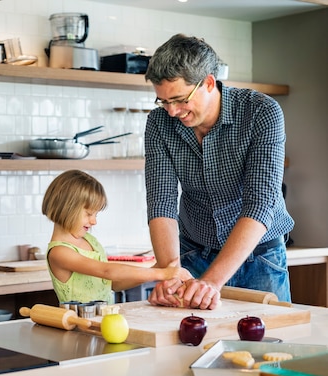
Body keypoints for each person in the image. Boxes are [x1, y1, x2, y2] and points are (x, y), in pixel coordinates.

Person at [143, 34, 294, 310]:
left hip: (259, 257)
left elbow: (260, 205)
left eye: (179, 99)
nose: (172, 111)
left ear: (209, 83)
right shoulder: (159, 123)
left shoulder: (261, 113)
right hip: (194, 253)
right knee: (190, 346)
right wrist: (169, 271)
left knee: (268, 346)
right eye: (163, 101)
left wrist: (211, 281)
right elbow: (161, 202)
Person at [42, 169, 193, 304]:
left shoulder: (90, 241)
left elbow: (112, 283)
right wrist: (161, 273)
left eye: (96, 214)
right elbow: (106, 271)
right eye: (88, 214)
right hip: (77, 325)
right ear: (66, 209)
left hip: (102, 322)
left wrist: (155, 270)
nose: (94, 221)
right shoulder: (59, 253)